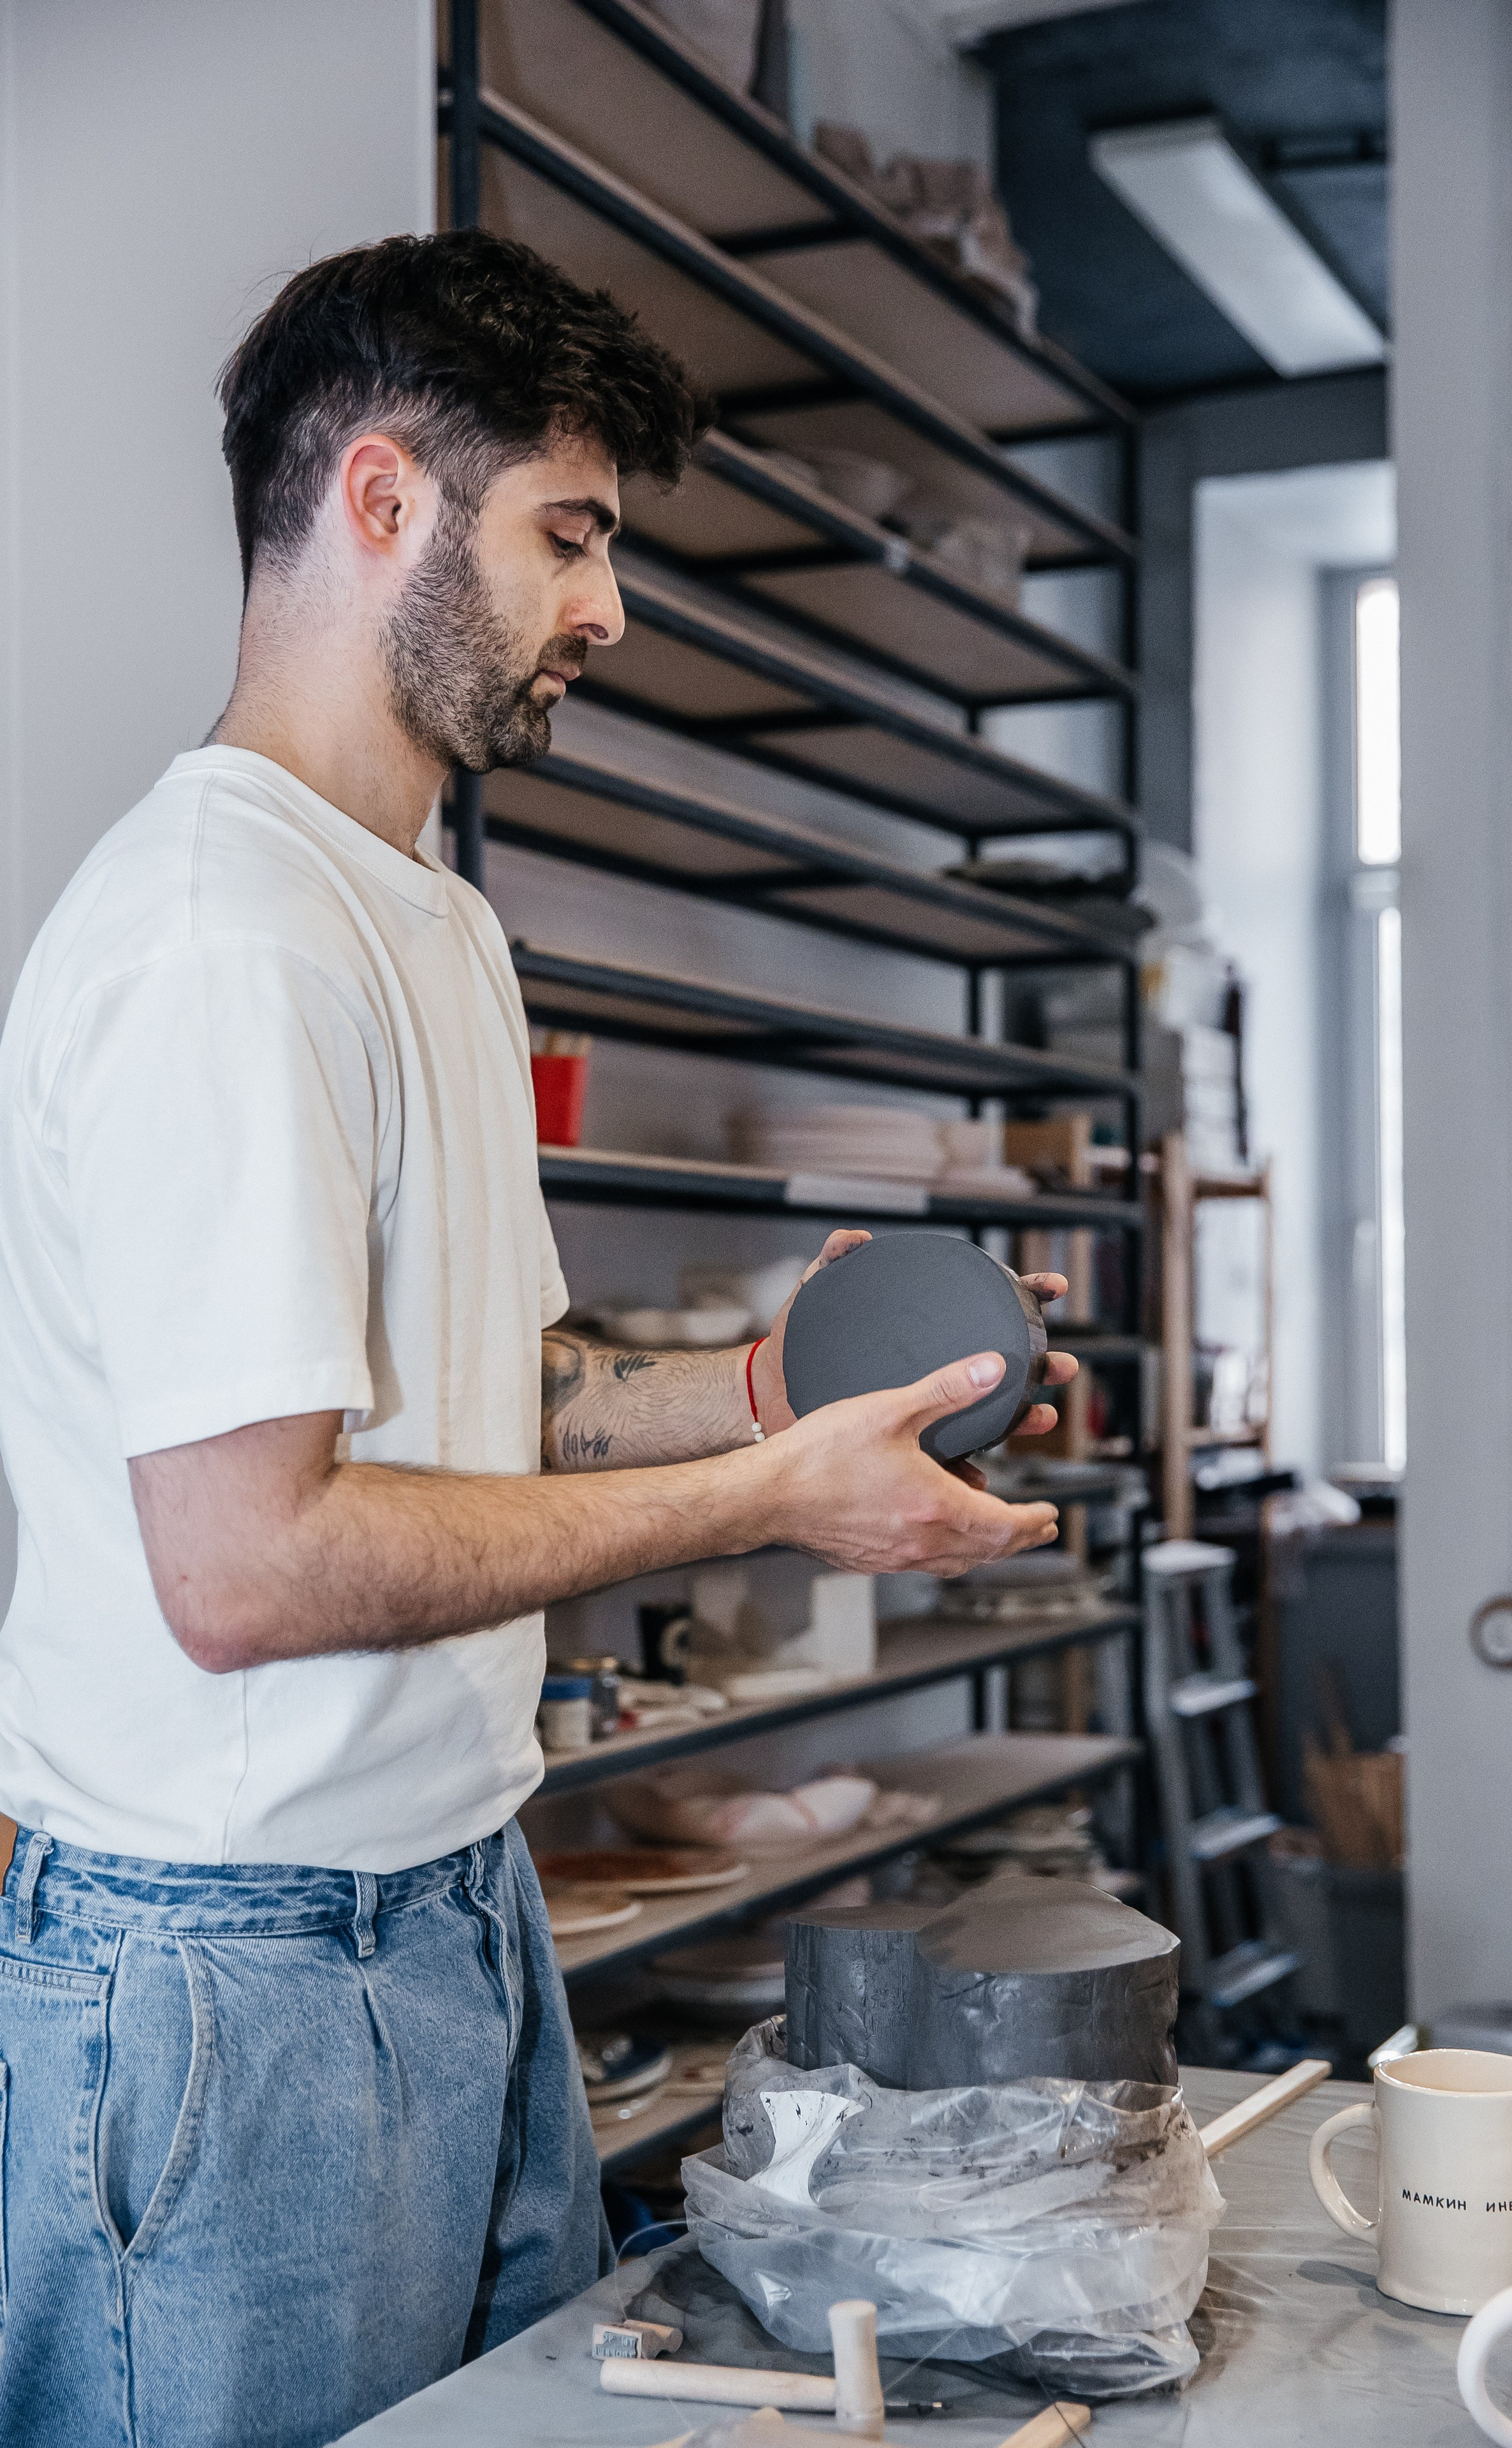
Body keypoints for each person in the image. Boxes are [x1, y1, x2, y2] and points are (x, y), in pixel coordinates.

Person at [0, 229, 1075, 2448]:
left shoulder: (438, 925)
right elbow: (250, 1565)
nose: (608, 607)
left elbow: (515, 1396)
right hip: (227, 1972)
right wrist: (774, 1504)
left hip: (455, 1907)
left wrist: (768, 1393)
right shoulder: (224, 940)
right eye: (568, 535)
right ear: (380, 499)